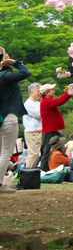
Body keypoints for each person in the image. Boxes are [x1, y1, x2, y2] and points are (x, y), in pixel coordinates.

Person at [0, 47, 30, 189]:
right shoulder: (5, 76)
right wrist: (15, 62)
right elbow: (25, 72)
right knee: (6, 152)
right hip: (8, 117)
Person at [39, 83, 73, 170]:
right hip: (51, 130)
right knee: (47, 150)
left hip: (52, 130)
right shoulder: (46, 101)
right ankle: (43, 169)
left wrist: (67, 94)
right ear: (47, 92)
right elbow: (59, 101)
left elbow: (58, 101)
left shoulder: (48, 100)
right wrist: (68, 94)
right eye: (52, 89)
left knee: (51, 149)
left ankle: (46, 168)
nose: (54, 90)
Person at [21, 82, 42, 170]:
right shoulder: (28, 104)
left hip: (39, 131)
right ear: (32, 91)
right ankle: (27, 173)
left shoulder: (37, 103)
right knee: (33, 154)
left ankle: (30, 173)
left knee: (36, 154)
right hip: (32, 132)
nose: (40, 93)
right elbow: (40, 115)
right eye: (38, 91)